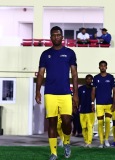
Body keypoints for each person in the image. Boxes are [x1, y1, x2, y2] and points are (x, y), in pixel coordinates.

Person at [35, 26, 79, 160]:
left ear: (62, 37)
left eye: (58, 35)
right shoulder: (45, 54)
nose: (56, 37)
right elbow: (41, 74)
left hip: (65, 93)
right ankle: (53, 153)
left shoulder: (70, 53)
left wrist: (75, 94)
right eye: (53, 35)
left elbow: (75, 74)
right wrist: (38, 91)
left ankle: (66, 142)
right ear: (51, 38)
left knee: (66, 121)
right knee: (52, 123)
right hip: (50, 93)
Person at [91, 60, 115, 148]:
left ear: (106, 67)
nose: (102, 67)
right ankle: (101, 142)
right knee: (100, 123)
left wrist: (114, 103)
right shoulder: (96, 78)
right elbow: (93, 91)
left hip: (109, 103)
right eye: (101, 66)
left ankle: (106, 140)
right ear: (99, 67)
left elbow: (114, 90)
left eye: (104, 66)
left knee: (108, 122)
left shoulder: (110, 77)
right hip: (99, 104)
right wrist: (92, 103)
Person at [78, 74, 95, 148]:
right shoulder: (81, 89)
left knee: (90, 127)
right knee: (83, 127)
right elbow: (78, 99)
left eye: (90, 79)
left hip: (90, 111)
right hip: (82, 111)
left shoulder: (93, 89)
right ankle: (86, 141)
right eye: (88, 79)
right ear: (85, 80)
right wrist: (76, 107)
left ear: (92, 80)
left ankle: (89, 142)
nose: (89, 80)